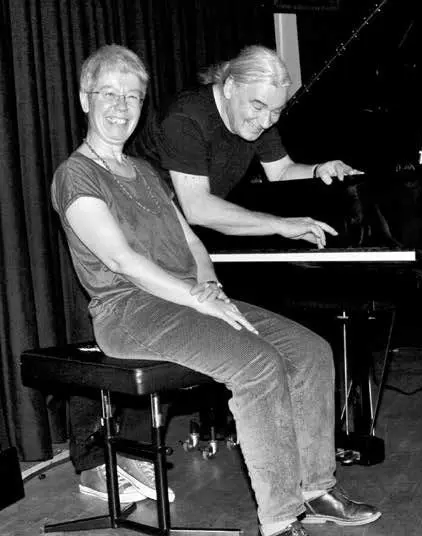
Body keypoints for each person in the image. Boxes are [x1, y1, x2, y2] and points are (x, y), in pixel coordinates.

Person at [53, 44, 381, 536]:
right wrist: (196, 299)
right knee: (258, 364)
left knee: (310, 352)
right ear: (85, 99)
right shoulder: (75, 174)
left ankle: (315, 489)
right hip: (128, 310)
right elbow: (123, 261)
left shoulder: (144, 172)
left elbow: (190, 240)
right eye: (109, 95)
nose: (122, 107)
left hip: (185, 297)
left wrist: (210, 287)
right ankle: (279, 519)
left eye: (133, 97)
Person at [138, 44, 361, 250]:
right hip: (142, 232)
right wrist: (279, 225)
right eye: (257, 106)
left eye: (276, 111)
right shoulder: (184, 118)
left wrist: (318, 170)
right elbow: (198, 208)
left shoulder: (260, 118)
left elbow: (281, 171)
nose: (265, 122)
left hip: (184, 235)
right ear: (230, 87)